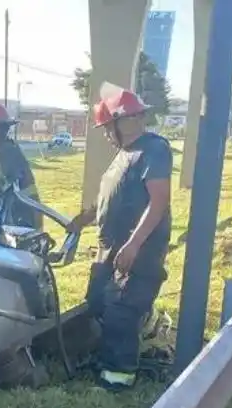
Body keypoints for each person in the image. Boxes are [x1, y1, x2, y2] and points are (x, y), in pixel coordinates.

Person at [66, 83, 173, 392]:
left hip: (139, 250)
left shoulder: (153, 149)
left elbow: (159, 201)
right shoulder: (123, 155)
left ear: (123, 121)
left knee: (121, 310)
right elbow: (116, 196)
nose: (105, 134)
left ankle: (117, 378)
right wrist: (85, 218)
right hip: (111, 249)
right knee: (98, 302)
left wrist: (134, 244)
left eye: (106, 127)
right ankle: (130, 341)